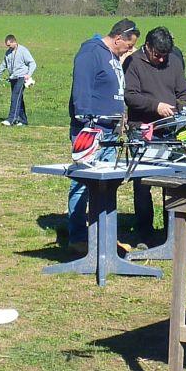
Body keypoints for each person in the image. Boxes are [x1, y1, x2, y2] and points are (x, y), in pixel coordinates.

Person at [65, 19, 139, 248]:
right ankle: (78, 237)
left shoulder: (113, 56)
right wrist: (86, 124)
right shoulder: (90, 53)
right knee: (83, 184)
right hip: (92, 131)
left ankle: (104, 236)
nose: (129, 50)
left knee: (107, 185)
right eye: (128, 46)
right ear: (118, 39)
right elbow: (81, 89)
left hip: (111, 131)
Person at [124, 25, 186, 238]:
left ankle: (171, 231)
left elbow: (183, 93)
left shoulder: (174, 62)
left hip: (170, 130)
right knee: (142, 183)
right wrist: (156, 106)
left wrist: (182, 108)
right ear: (147, 46)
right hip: (142, 130)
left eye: (165, 55)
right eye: (157, 55)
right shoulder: (133, 62)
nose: (161, 59)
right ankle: (144, 230)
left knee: (172, 181)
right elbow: (130, 96)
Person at [0, 33, 36, 127]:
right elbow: (3, 65)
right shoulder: (8, 53)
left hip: (22, 78)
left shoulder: (23, 51)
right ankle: (23, 120)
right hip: (13, 78)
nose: (8, 47)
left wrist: (28, 75)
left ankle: (11, 119)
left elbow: (32, 63)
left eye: (9, 45)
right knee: (19, 98)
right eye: (7, 46)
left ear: (14, 42)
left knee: (15, 97)